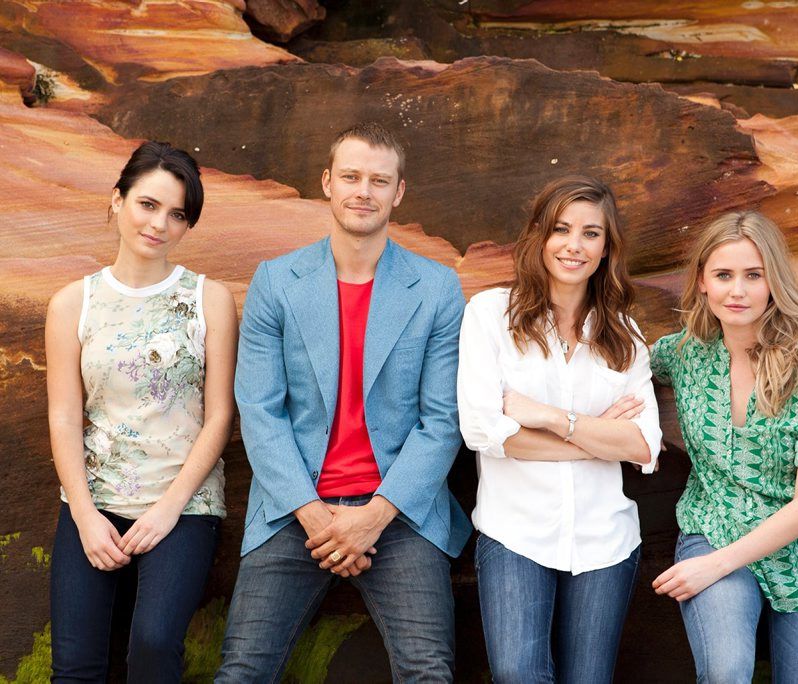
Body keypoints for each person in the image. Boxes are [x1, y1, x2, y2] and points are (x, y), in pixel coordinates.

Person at [217, 122, 471, 682]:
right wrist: (315, 516)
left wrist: (373, 518)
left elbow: (443, 420)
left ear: (398, 192)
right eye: (351, 177)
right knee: (241, 671)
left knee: (429, 671)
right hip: (292, 505)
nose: (364, 191)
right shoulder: (277, 281)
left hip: (400, 509)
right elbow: (259, 408)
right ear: (327, 183)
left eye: (379, 180)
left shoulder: (436, 288)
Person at [457, 175, 663, 683]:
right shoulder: (491, 316)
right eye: (562, 229)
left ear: (606, 248)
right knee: (517, 675)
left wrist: (552, 418)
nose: (574, 245)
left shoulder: (624, 335)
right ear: (539, 237)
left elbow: (642, 445)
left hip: (605, 540)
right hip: (514, 533)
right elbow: (485, 431)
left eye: (591, 233)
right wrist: (597, 440)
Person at [45, 141, 238, 682]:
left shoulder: (209, 299)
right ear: (117, 200)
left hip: (184, 503)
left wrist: (169, 509)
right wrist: (84, 515)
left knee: (153, 647)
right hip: (95, 497)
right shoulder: (71, 303)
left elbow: (219, 415)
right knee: (76, 664)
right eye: (148, 205)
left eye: (178, 214)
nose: (160, 224)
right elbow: (64, 417)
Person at [650, 211, 798, 683]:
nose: (737, 291)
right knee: (725, 673)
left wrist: (712, 568)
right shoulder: (685, 353)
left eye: (753, 275)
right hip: (714, 526)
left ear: (773, 282)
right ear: (702, 282)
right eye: (723, 275)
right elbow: (617, 370)